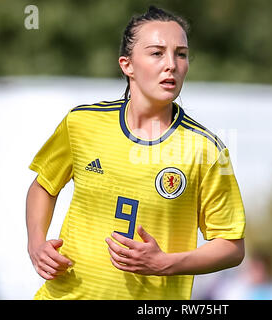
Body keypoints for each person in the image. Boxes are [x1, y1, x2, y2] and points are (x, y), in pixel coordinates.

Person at [26, 6, 246, 300]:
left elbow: (232, 246)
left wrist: (164, 263)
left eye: (181, 54)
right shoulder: (82, 123)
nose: (171, 64)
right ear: (127, 65)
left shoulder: (205, 149)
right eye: (157, 53)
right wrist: (36, 244)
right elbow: (43, 185)